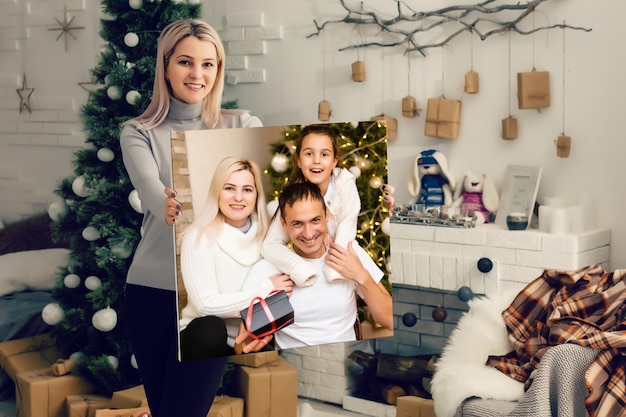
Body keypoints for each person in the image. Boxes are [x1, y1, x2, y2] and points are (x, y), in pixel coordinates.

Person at [120, 19, 262, 417]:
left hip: (208, 305)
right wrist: (161, 200)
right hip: (151, 291)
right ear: (165, 66)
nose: (197, 74)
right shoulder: (138, 131)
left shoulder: (243, 125)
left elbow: (272, 199)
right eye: (185, 62)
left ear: (218, 70)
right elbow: (148, 186)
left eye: (208, 64)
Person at [238, 181, 393, 352]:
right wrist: (250, 347)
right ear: (283, 223)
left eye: (315, 220)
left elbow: (390, 320)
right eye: (297, 224)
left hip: (346, 366)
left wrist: (361, 276)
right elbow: (241, 346)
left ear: (327, 215)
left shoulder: (349, 253)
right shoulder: (266, 271)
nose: (309, 233)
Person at [178, 156, 293, 359]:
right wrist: (265, 290)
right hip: (201, 341)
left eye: (247, 189)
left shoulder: (268, 238)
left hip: (247, 339)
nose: (238, 197)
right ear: (217, 192)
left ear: (256, 195)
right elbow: (205, 306)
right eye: (229, 188)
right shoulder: (197, 237)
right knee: (211, 328)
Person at [262, 124, 361, 287]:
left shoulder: (344, 182)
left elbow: (348, 222)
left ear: (334, 161)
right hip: (312, 258)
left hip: (343, 252)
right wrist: (299, 268)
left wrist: (334, 267)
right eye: (309, 154)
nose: (316, 161)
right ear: (299, 161)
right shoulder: (294, 195)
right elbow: (270, 244)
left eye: (324, 154)